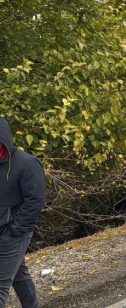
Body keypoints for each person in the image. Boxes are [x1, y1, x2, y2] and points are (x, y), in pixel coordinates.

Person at [0, 117, 45, 308]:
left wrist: (15, 229)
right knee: (19, 275)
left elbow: (35, 200)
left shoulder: (27, 163)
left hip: (14, 232)